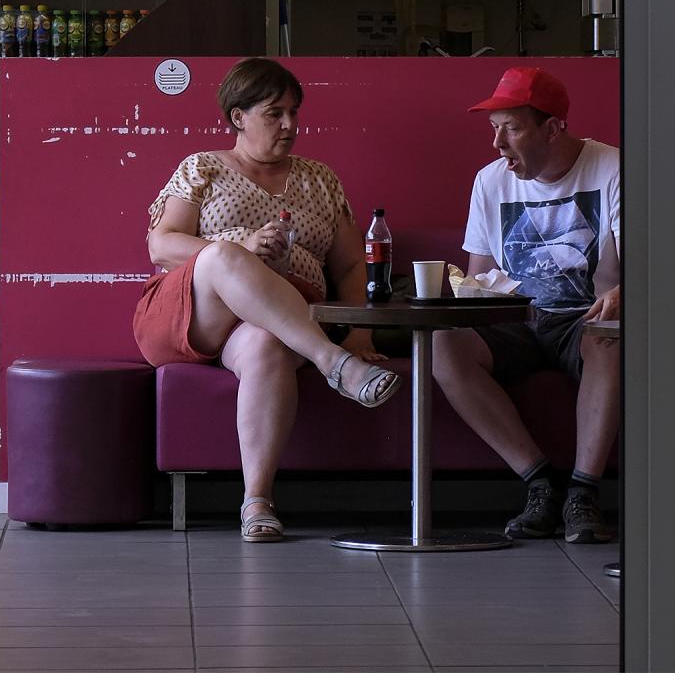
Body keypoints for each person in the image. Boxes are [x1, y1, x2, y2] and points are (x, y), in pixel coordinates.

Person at [133, 57, 402, 543]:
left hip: (280, 319)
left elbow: (349, 266)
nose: (290, 125)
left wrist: (361, 333)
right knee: (225, 257)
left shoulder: (320, 179)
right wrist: (242, 248)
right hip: (192, 313)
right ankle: (333, 363)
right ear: (239, 117)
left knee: (266, 345)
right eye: (275, 113)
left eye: (294, 112)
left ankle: (256, 501)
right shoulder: (203, 167)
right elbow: (162, 244)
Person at [433, 67, 619, 544]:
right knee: (443, 346)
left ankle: (583, 493)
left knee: (609, 336)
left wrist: (623, 292)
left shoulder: (613, 169)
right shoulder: (490, 181)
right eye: (493, 128)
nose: (497, 143)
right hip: (518, 320)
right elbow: (479, 277)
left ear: (553, 128)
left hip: (585, 319)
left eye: (511, 128)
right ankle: (539, 484)